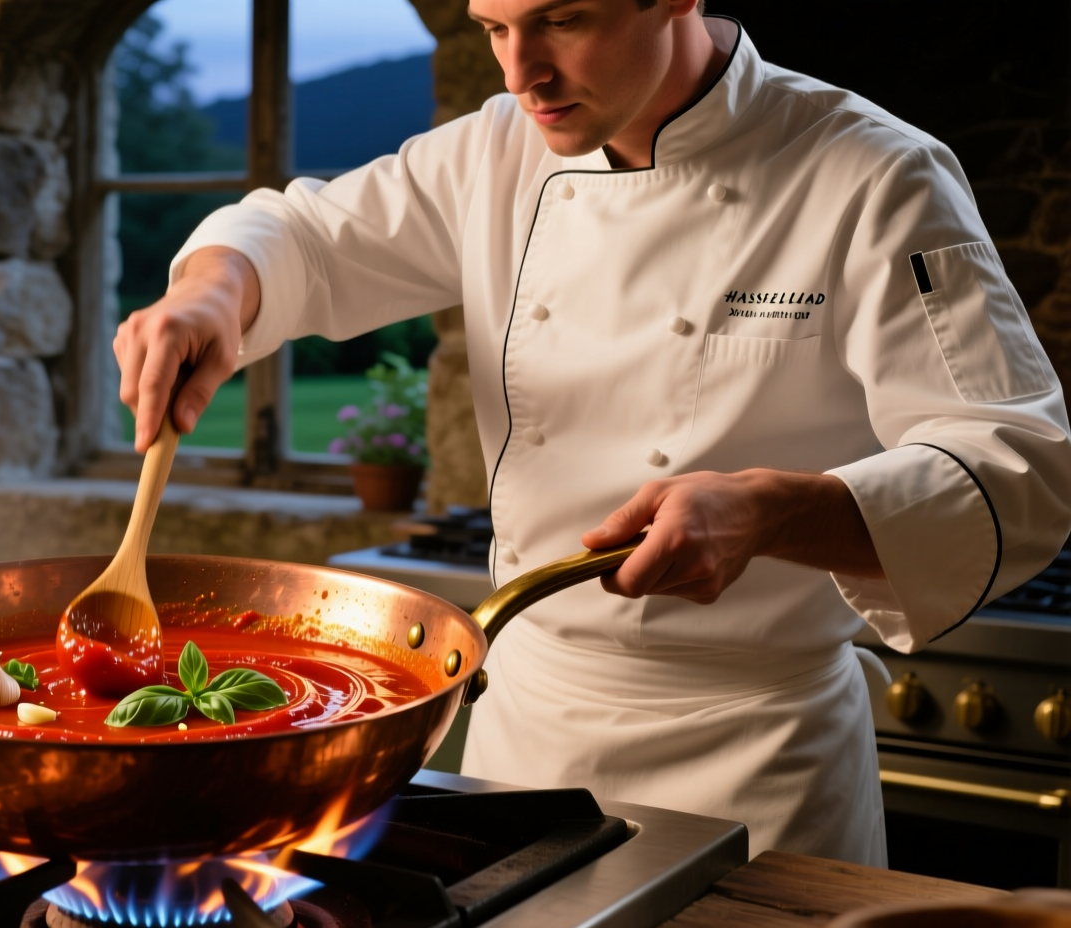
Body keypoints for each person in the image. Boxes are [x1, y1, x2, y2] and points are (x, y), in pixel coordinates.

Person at [110, 0, 1071, 864]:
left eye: (562, 21)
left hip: (759, 765)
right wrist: (210, 296)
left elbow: (1020, 467)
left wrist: (777, 511)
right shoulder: (499, 151)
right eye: (493, 26)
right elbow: (307, 237)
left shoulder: (871, 171)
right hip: (529, 742)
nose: (520, 72)